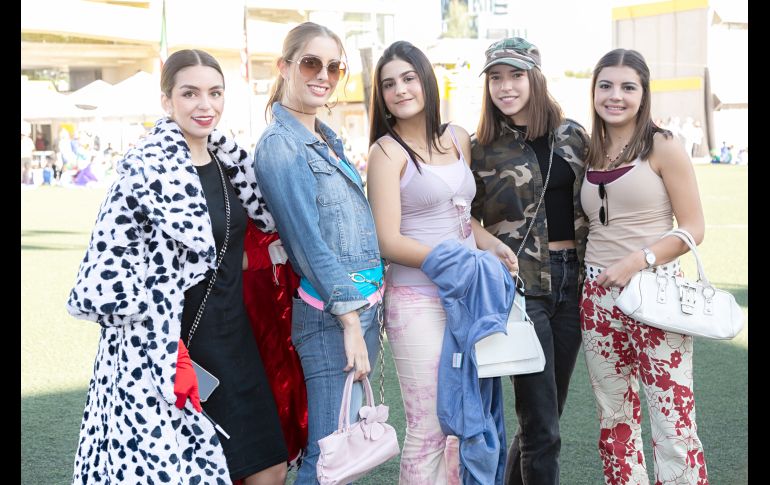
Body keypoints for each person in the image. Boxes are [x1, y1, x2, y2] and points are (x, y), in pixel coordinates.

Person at [66, 49, 288, 485]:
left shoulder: (232, 164)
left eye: (215, 93)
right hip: (170, 348)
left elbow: (224, 249)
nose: (205, 105)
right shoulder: (144, 168)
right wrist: (165, 352)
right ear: (167, 101)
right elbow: (106, 279)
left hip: (235, 342)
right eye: (190, 93)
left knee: (269, 469)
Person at [366, 40, 518, 484]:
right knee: (429, 428)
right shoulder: (386, 152)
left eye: (409, 78)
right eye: (389, 84)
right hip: (417, 301)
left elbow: (461, 214)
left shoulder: (457, 137)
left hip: (467, 297)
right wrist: (459, 262)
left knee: (461, 424)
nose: (400, 90)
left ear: (426, 81)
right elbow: (388, 240)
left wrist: (488, 245)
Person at [253, 22, 384, 484]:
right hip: (332, 318)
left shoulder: (327, 138)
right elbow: (306, 241)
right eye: (311, 62)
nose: (323, 74)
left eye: (334, 66)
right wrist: (349, 320)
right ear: (284, 67)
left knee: (344, 453)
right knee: (328, 455)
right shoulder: (279, 146)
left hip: (360, 308)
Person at [580, 48, 707, 484]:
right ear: (594, 91)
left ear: (643, 93)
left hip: (656, 291)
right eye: (606, 86)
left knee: (673, 420)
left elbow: (693, 228)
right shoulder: (590, 149)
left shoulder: (662, 145)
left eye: (627, 87)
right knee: (614, 421)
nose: (615, 96)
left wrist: (640, 259)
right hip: (597, 297)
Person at [470, 37, 590, 485]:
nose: (505, 87)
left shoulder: (574, 135)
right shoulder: (481, 147)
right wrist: (492, 245)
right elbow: (460, 217)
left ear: (535, 77)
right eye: (496, 78)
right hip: (521, 289)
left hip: (572, 286)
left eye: (516, 75)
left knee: (546, 415)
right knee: (542, 423)